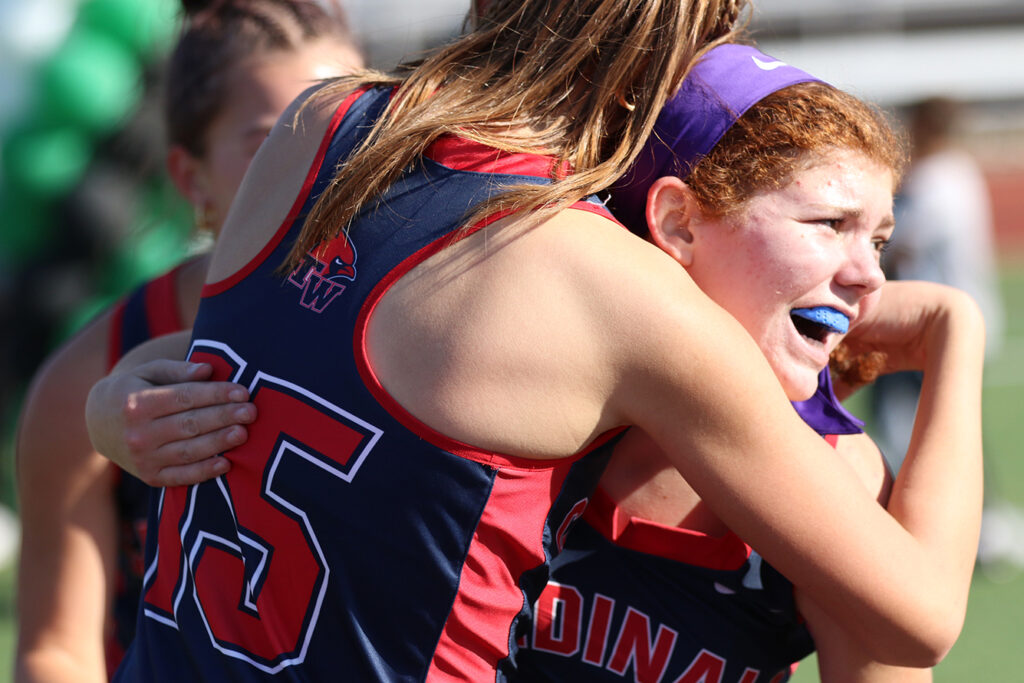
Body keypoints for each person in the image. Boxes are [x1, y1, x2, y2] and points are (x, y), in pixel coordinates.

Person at [83, 0, 985, 679]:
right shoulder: (615, 290)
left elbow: (242, 358)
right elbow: (920, 615)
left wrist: (114, 400)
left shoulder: (321, 124)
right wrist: (955, 335)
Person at [514, 43, 931, 682]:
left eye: (879, 240)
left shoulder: (837, 472)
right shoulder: (520, 409)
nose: (870, 275)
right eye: (828, 222)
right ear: (678, 222)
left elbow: (916, 639)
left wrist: (952, 341)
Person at [14, 1, 362, 680]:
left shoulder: (418, 332)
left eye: (352, 133)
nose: (326, 167)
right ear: (189, 178)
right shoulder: (84, 379)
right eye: (272, 140)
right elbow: (56, 650)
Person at [871, 95, 1005, 471]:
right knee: (946, 428)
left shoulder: (934, 183)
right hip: (957, 315)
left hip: (928, 322)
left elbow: (895, 245)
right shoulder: (959, 170)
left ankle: (970, 522)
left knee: (916, 431)